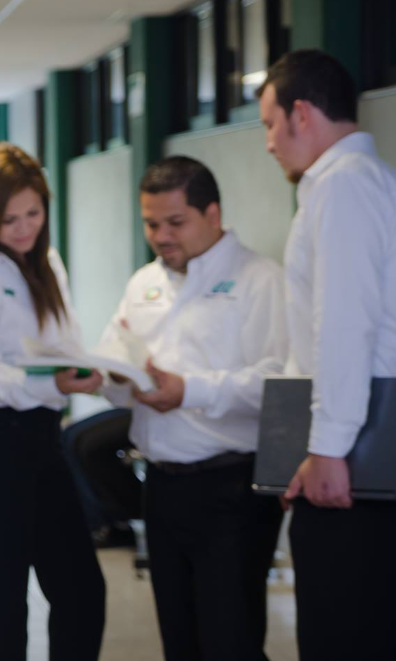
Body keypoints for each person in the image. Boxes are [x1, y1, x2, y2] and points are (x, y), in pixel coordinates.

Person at [256, 50, 396, 661]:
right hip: (377, 428)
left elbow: (343, 327)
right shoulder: (369, 182)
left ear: (301, 113)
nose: (268, 144)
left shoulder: (344, 188)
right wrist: (297, 450)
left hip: (363, 438)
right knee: (380, 632)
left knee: (345, 637)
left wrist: (329, 448)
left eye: (268, 124)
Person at [99, 156, 287, 661]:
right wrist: (112, 380)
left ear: (213, 214)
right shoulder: (143, 283)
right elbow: (115, 363)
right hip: (161, 485)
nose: (161, 235)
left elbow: (279, 381)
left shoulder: (259, 279)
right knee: (179, 639)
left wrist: (192, 391)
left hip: (232, 488)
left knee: (230, 640)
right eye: (151, 223)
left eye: (175, 222)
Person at [0, 143, 105, 661]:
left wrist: (85, 368)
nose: (25, 228)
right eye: (9, 219)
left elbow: (64, 338)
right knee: (5, 597)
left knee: (80, 589)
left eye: (34, 213)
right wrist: (57, 385)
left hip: (38, 437)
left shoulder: (45, 260)